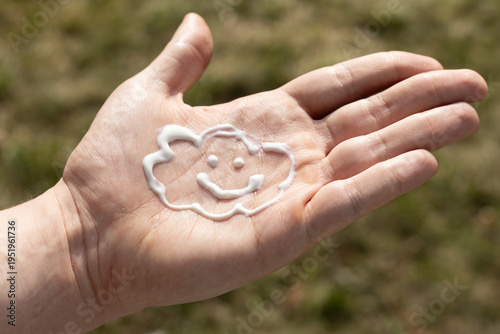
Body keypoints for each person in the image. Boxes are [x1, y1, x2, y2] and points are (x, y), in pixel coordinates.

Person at [0, 13, 488, 333]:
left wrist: (79, 246)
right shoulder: (174, 166)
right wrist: (80, 244)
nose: (222, 169)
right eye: (214, 161)